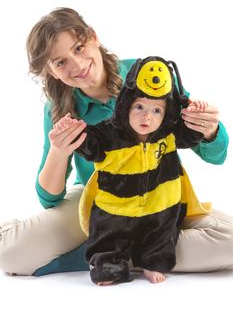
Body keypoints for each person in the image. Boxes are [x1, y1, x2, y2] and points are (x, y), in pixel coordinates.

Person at [0, 7, 232, 277]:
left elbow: (216, 156)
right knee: (10, 254)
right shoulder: (59, 108)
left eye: (78, 48)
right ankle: (121, 250)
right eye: (60, 62)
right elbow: (50, 198)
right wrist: (58, 151)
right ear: (51, 72)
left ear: (94, 37)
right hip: (99, 200)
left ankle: (110, 255)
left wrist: (209, 129)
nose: (77, 65)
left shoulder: (147, 75)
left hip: (158, 196)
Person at [53, 56, 210, 285]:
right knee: (108, 240)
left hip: (160, 208)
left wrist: (197, 114)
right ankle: (108, 264)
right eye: (139, 106)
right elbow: (89, 144)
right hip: (116, 212)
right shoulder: (110, 132)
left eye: (157, 110)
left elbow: (192, 134)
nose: (147, 116)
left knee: (162, 237)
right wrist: (72, 131)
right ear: (126, 104)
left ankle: (151, 262)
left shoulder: (168, 133)